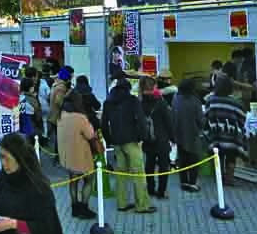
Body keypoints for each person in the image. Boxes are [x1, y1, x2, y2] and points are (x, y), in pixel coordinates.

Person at [0, 133, 65, 234]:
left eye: (6, 157)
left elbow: (47, 228)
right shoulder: (4, 178)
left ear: (19, 158)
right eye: (1, 157)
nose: (3, 163)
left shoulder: (39, 188)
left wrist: (15, 224)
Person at [101, 73, 156, 214]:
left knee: (121, 174)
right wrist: (141, 137)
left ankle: (122, 203)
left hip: (117, 142)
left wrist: (109, 140)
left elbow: (104, 124)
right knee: (138, 173)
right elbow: (141, 121)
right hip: (132, 141)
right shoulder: (132, 100)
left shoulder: (108, 102)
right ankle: (142, 205)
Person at [57, 91, 96, 219]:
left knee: (73, 181)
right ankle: (84, 208)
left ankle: (75, 207)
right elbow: (90, 135)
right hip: (81, 155)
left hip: (67, 156)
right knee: (90, 180)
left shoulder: (61, 115)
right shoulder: (80, 118)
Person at [205, 75, 248, 186]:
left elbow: (206, 116)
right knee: (231, 157)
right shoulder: (236, 102)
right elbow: (242, 118)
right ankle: (229, 179)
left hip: (216, 134)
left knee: (217, 155)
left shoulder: (211, 100)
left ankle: (219, 177)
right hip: (232, 136)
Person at [141, 83, 174, 199]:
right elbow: (168, 122)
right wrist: (173, 138)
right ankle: (161, 191)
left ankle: (150, 188)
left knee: (149, 164)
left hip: (148, 139)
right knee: (163, 166)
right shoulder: (161, 102)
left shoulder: (141, 102)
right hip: (162, 140)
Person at [172, 79, 205, 192]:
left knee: (182, 160)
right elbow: (201, 120)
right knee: (194, 160)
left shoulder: (176, 99)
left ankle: (184, 182)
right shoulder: (195, 101)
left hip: (179, 134)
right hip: (193, 135)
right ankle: (192, 183)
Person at [19, 78, 43, 144]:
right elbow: (38, 117)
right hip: (31, 130)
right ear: (31, 88)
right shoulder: (32, 100)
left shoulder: (17, 97)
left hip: (19, 130)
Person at [38, 65, 52, 142]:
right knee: (45, 121)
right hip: (45, 105)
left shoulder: (36, 84)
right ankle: (45, 135)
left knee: (40, 121)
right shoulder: (45, 84)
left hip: (37, 105)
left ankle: (41, 136)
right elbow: (49, 95)